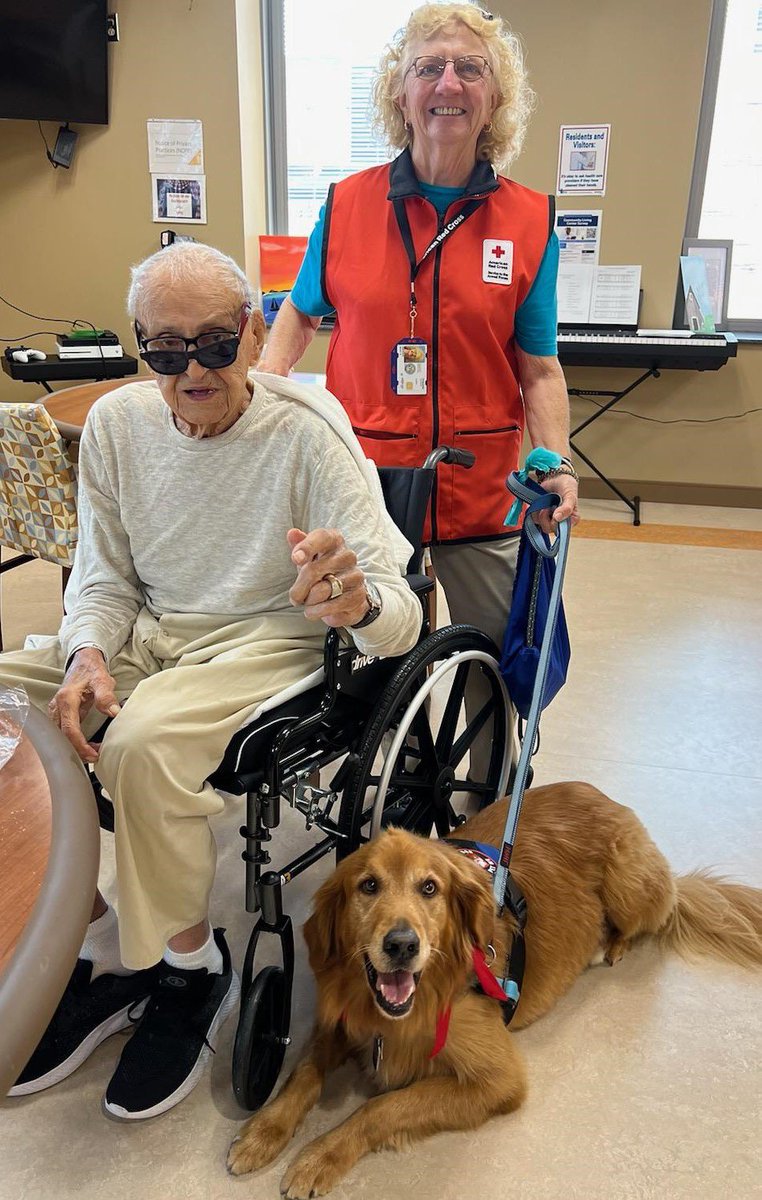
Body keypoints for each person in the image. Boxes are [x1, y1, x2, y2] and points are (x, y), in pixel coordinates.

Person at [0, 241, 422, 1120]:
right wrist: (85, 654)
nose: (191, 369)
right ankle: (102, 943)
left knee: (144, 743)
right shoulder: (118, 426)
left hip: (271, 634)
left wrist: (352, 600)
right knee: (11, 707)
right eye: (164, 350)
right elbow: (104, 579)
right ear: (139, 346)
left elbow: (401, 614)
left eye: (214, 345)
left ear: (254, 330)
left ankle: (191, 971)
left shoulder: (307, 432)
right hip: (153, 625)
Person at [261, 3, 579, 773]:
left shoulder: (530, 221)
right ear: (399, 95)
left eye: (470, 68)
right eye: (428, 67)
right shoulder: (347, 204)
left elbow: (538, 366)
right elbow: (297, 319)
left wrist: (558, 461)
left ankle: (489, 808)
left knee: (495, 675)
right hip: (364, 481)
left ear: (495, 98)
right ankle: (381, 796)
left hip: (481, 488)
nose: (448, 83)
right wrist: (261, 405)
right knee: (360, 654)